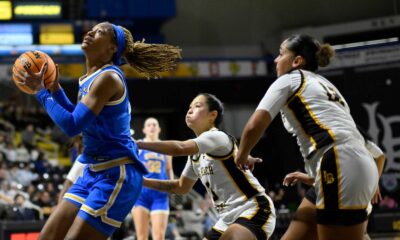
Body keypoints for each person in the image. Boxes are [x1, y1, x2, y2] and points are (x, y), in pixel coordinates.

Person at [13, 21, 181, 239]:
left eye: (100, 32)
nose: (90, 32)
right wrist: (54, 88)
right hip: (93, 171)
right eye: (91, 30)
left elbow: (73, 126)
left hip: (117, 174)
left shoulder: (108, 78)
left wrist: (41, 92)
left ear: (112, 48)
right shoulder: (89, 78)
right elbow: (77, 117)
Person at [235, 34, 379, 240]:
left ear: (297, 61)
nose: (276, 60)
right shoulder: (326, 86)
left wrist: (241, 156)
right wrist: (368, 184)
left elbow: (253, 126)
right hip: (351, 166)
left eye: (281, 54)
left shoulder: (290, 79)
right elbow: (377, 154)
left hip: (339, 164)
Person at [137, 93, 276, 240]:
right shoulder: (196, 155)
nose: (190, 110)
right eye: (189, 107)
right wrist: (143, 182)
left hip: (253, 208)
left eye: (197, 106)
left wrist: (138, 144)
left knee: (232, 237)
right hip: (226, 219)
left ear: (212, 115)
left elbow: (179, 148)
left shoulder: (218, 137)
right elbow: (181, 187)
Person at [281, 126, 386, 240]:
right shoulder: (326, 137)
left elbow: (380, 156)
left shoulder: (351, 138)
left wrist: (375, 184)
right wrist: (305, 177)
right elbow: (329, 176)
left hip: (348, 195)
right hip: (326, 190)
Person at [132, 117, 174, 240]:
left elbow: (169, 169)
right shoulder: (138, 146)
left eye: (154, 124)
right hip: (141, 194)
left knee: (159, 237)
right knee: (142, 237)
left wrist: (171, 185)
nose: (152, 127)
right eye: (149, 125)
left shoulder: (166, 147)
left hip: (160, 195)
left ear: (159, 129)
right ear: (144, 129)